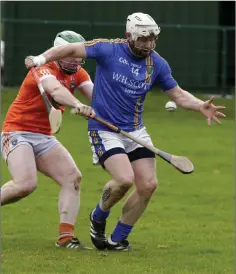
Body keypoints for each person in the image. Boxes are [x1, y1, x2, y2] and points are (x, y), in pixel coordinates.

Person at [25, 13, 226, 251]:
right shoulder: (107, 49)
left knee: (148, 185)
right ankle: (98, 216)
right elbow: (68, 48)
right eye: (143, 39)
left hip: (135, 130)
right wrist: (40, 59)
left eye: (153, 38)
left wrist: (199, 105)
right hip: (104, 129)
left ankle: (117, 238)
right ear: (129, 36)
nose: (149, 44)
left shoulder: (157, 64)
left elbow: (178, 94)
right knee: (124, 179)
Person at [1, 30, 96, 249]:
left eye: (78, 54)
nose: (76, 59)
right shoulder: (43, 68)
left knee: (73, 178)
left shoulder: (79, 73)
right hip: (17, 132)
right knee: (25, 184)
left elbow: (95, 95)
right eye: (70, 54)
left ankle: (66, 238)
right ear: (58, 52)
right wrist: (77, 104)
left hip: (44, 136)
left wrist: (104, 108)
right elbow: (55, 90)